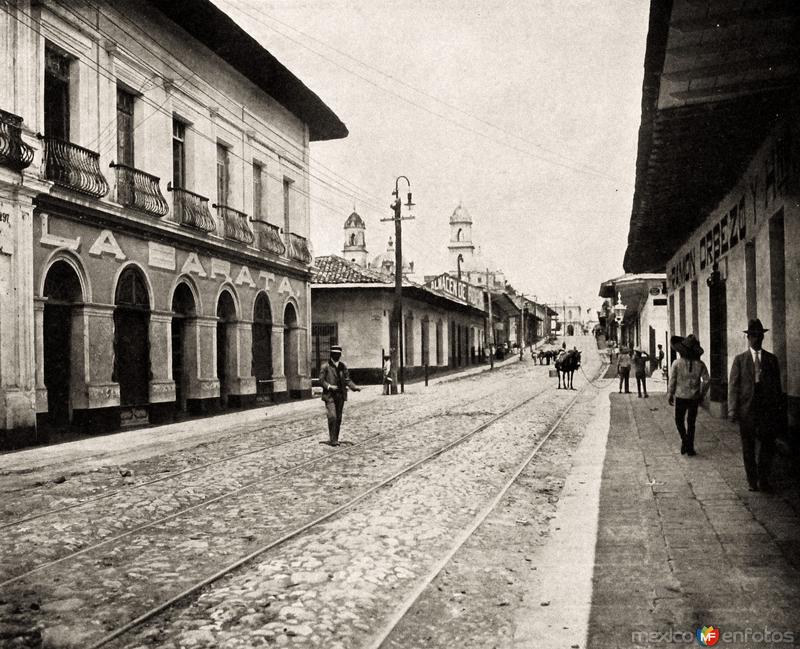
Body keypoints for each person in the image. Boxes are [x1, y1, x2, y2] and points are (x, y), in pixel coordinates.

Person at [728, 319, 783, 492]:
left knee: (767, 445)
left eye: (759, 336)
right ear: (748, 338)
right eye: (753, 336)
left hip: (767, 410)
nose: (756, 339)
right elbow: (733, 386)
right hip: (747, 410)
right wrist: (732, 409)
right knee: (748, 446)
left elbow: (777, 387)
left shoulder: (771, 360)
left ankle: (764, 479)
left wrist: (779, 409)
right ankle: (752, 480)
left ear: (763, 338)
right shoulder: (740, 360)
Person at [667, 334, 709, 456]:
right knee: (691, 422)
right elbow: (707, 380)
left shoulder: (676, 363)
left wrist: (670, 393)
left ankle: (685, 441)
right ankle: (689, 447)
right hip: (694, 398)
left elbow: (672, 380)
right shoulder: (700, 364)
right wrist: (701, 394)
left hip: (680, 397)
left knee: (679, 420)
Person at [319, 345, 361, 446]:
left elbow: (347, 379)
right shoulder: (325, 366)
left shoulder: (343, 366)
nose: (337, 356)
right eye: (335, 354)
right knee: (332, 416)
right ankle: (332, 439)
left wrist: (354, 387)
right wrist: (329, 386)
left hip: (340, 395)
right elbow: (321, 380)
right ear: (331, 354)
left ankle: (335, 438)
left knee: (338, 418)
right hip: (329, 396)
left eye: (338, 354)